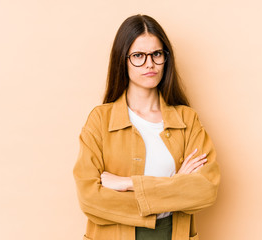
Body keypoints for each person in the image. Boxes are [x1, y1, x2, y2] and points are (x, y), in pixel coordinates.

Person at [73, 14, 220, 240]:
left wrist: (128, 184)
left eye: (157, 54)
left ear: (165, 58)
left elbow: (205, 189)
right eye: (139, 56)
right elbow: (90, 199)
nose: (149, 63)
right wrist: (175, 185)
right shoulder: (100, 120)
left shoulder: (187, 120)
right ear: (123, 59)